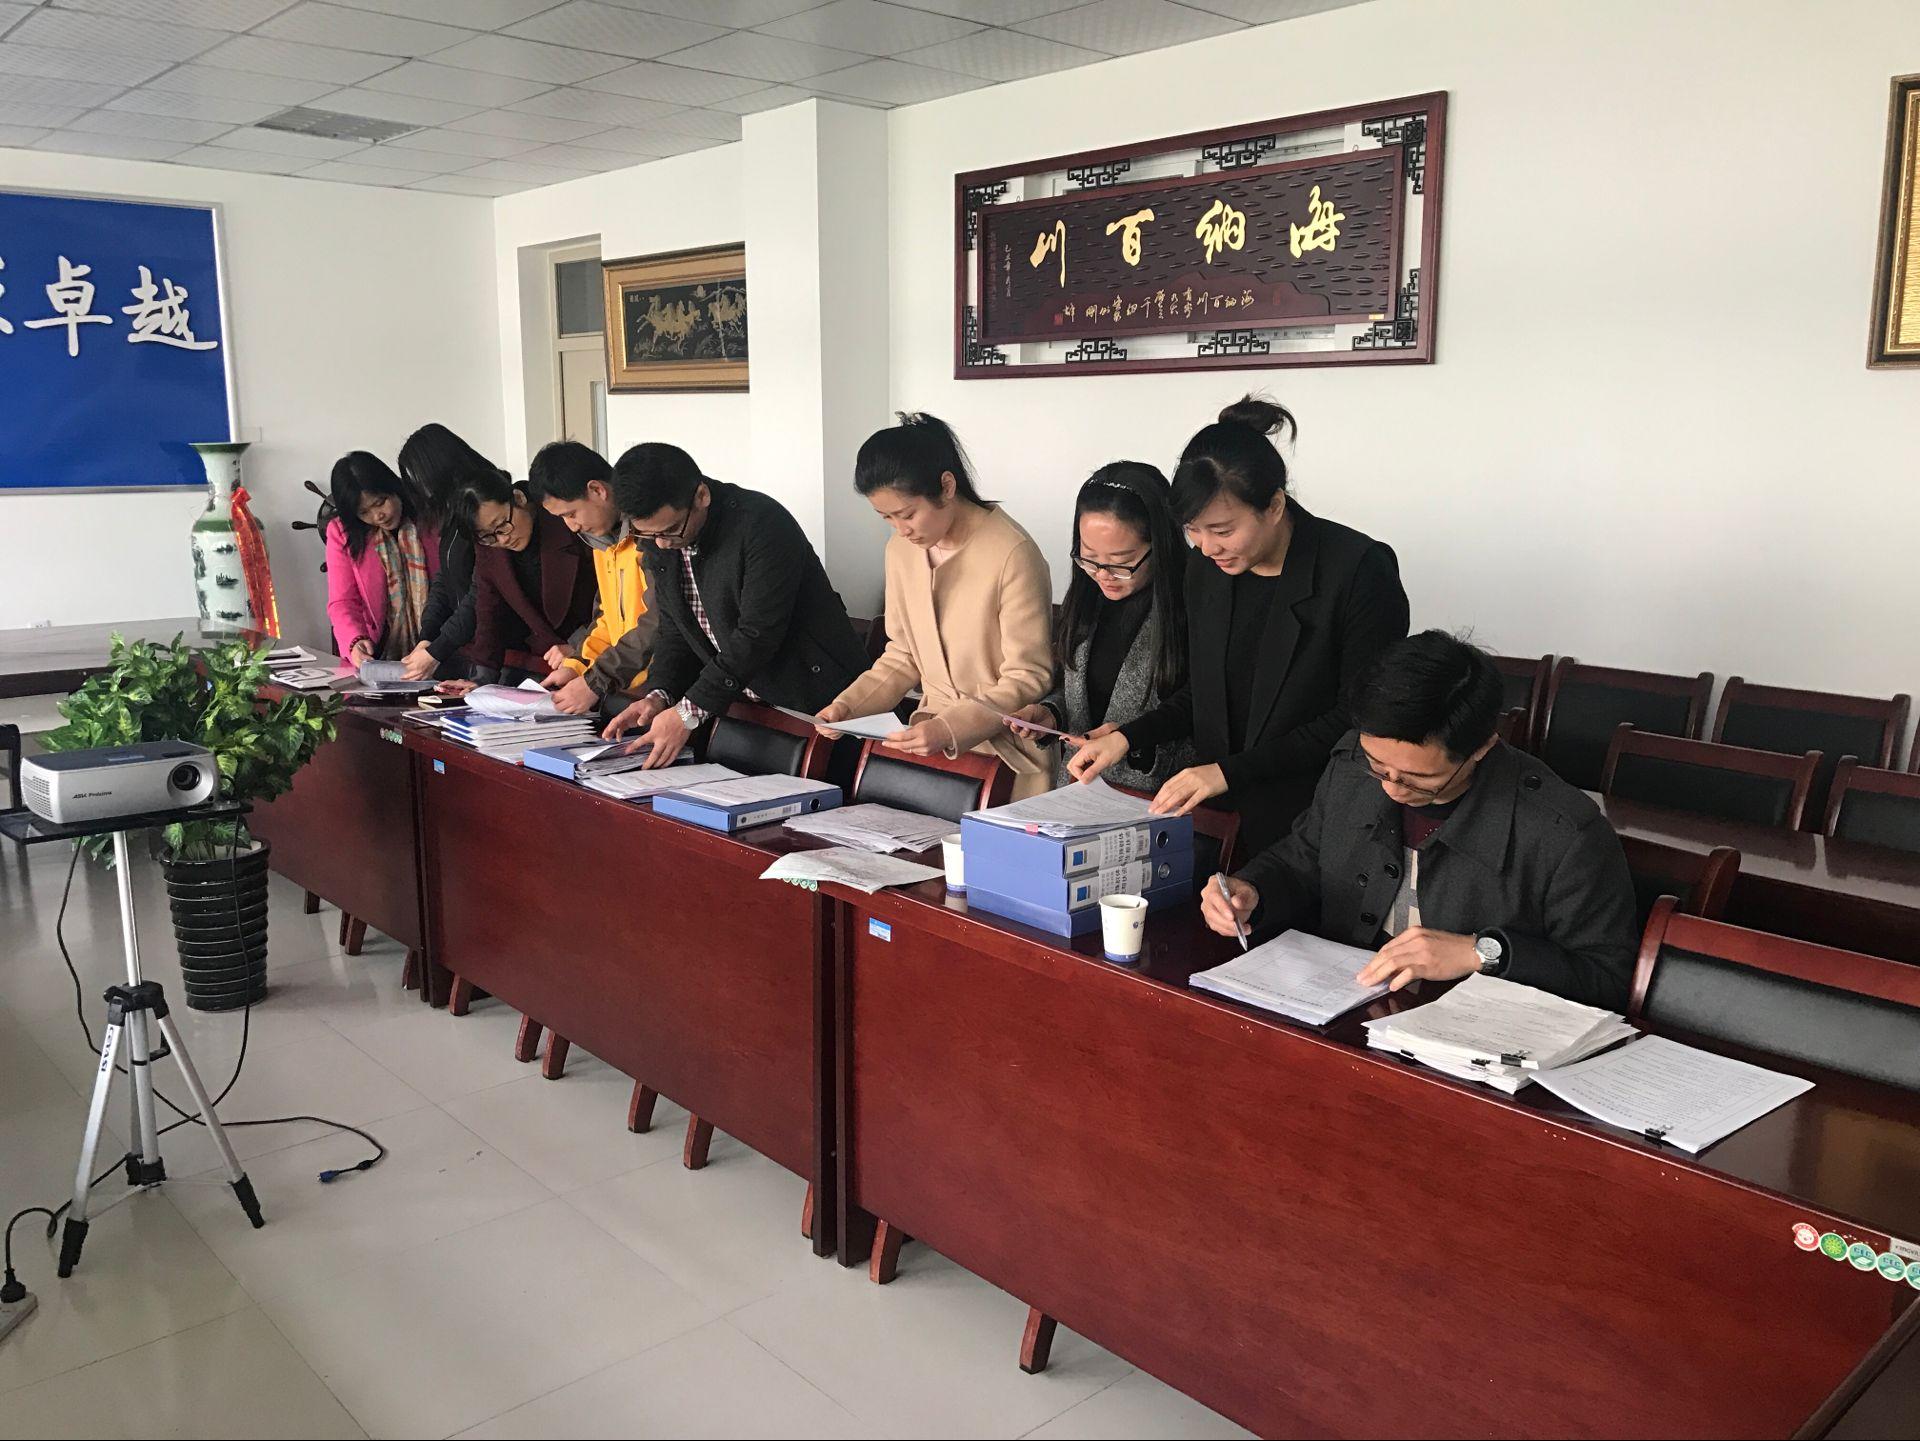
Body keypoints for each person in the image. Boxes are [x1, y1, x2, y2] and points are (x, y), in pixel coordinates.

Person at [1202, 631, 1638, 1011]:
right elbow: (1304, 857)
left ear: (1482, 748)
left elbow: (1607, 978)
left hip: (1471, 1038)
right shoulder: (1351, 766)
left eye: (1418, 779)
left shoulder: (1563, 832)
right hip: (1345, 1006)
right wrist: (1251, 890)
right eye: (1378, 766)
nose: (1392, 787)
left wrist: (1480, 952)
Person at [1069, 396, 1409, 856]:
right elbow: (1202, 695)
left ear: (1274, 505)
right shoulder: (1206, 569)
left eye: (1223, 530)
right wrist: (1128, 737)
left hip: (1314, 818)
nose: (1207, 546)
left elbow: (1357, 720)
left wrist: (1229, 772)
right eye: (1193, 529)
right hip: (1219, 813)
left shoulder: (1357, 571)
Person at [820, 413, 1053, 797]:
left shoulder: (1012, 553)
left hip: (1005, 757)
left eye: (908, 514)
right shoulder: (901, 550)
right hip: (930, 753)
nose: (901, 529)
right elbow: (903, 655)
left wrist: (950, 728)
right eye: (887, 518)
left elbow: (1028, 676)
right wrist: (848, 708)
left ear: (946, 486)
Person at [604, 442, 869, 768]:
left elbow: (757, 634)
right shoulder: (661, 540)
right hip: (747, 710)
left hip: (817, 702)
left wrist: (687, 713)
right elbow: (676, 631)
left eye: (671, 530)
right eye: (649, 535)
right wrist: (660, 695)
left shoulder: (761, 523)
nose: (662, 544)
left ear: (701, 495)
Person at [1005, 462, 1194, 791]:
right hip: (1077, 791)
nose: (1103, 575)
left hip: (1156, 797)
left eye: (1122, 563)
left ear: (1160, 544)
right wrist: (1051, 712)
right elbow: (1088, 694)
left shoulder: (1192, 602)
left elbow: (1200, 709)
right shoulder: (1088, 598)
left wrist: (1131, 738)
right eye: (1090, 557)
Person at [528, 440, 657, 715]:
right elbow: (606, 619)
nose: (572, 527)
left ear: (597, 490)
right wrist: (577, 666)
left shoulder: (652, 536)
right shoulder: (602, 543)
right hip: (626, 686)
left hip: (660, 688)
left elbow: (655, 624)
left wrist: (595, 682)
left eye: (571, 514)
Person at [451, 469, 598, 685]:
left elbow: (609, 602)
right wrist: (481, 679)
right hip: (547, 660)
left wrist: (579, 645)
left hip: (599, 652)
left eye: (502, 525)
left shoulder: (569, 523)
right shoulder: (489, 547)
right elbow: (489, 610)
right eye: (488, 536)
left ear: (519, 498)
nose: (503, 539)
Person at [393, 423, 506, 681]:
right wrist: (427, 637)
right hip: (468, 645)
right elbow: (444, 579)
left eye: (421, 480)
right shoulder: (450, 514)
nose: (423, 491)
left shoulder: (484, 508)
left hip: (499, 650)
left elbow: (481, 590)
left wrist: (437, 650)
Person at [323, 451, 440, 668]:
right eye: (364, 512)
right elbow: (343, 601)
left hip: (439, 646)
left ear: (393, 487)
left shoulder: (430, 518)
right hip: (380, 652)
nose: (378, 515)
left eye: (380, 502)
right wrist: (355, 640)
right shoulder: (342, 532)